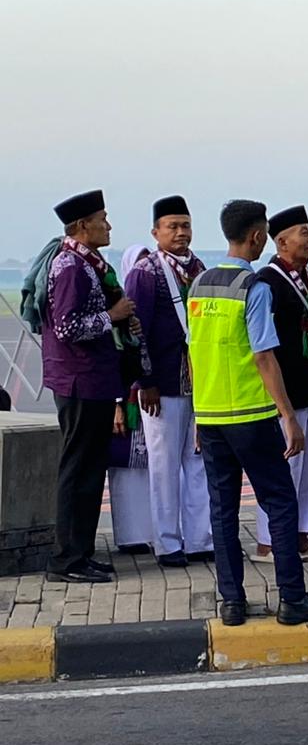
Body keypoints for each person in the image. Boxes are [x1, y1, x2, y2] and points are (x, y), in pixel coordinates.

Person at [188, 200, 308, 628]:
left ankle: (232, 601)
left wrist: (200, 414)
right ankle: (292, 598)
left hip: (212, 417)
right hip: (252, 416)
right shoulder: (253, 287)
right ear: (257, 237)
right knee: (280, 502)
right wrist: (288, 415)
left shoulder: (199, 284)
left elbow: (193, 353)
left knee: (223, 511)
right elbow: (264, 357)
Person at [44, 190, 139, 584]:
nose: (109, 225)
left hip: (95, 380)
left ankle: (81, 552)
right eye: (103, 218)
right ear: (83, 226)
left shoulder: (89, 264)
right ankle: (67, 558)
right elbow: (67, 327)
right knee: (77, 469)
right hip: (79, 379)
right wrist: (112, 315)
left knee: (89, 469)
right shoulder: (70, 266)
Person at [251, 206, 308, 565]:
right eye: (303, 233)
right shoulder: (269, 281)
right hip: (284, 391)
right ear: (281, 241)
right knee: (282, 468)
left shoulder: (304, 277)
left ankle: (301, 536)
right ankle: (269, 540)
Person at [126, 196, 213, 567]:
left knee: (199, 463)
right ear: (155, 232)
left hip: (201, 383)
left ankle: (200, 539)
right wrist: (145, 380)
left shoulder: (200, 267)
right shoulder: (145, 272)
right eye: (172, 226)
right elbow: (135, 331)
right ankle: (168, 543)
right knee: (163, 466)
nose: (180, 232)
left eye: (185, 225)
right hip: (162, 385)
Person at [107, 245, 156, 555]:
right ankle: (129, 535)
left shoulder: (144, 309)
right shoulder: (118, 308)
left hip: (147, 396)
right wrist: (116, 404)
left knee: (150, 468)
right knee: (125, 469)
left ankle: (151, 531)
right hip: (125, 398)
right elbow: (115, 356)